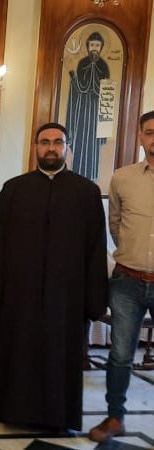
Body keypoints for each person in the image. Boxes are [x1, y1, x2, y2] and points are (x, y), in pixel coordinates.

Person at [0, 122, 108, 432]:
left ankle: (58, 416)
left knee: (59, 355)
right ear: (35, 148)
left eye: (57, 142)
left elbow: (95, 247)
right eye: (45, 142)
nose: (51, 148)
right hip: (18, 293)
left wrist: (93, 296)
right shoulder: (14, 189)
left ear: (67, 149)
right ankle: (9, 411)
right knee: (16, 351)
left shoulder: (86, 193)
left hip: (66, 296)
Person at [89, 111, 154, 443]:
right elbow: (114, 224)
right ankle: (115, 417)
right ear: (140, 137)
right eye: (149, 132)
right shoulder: (122, 178)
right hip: (127, 280)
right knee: (119, 355)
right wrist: (132, 252)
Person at [65, 32, 110, 181]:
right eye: (92, 45)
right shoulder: (82, 63)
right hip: (82, 109)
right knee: (80, 139)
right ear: (88, 46)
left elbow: (106, 91)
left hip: (96, 111)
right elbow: (80, 87)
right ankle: (77, 173)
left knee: (92, 144)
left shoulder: (104, 66)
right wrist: (73, 75)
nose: (94, 48)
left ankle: (92, 175)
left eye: (97, 45)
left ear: (101, 47)